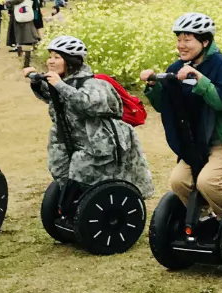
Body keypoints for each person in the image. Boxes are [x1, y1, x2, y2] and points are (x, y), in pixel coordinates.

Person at [142, 13, 222, 229]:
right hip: (198, 142)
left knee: (209, 182)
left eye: (187, 40)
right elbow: (167, 105)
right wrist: (154, 86)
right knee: (179, 181)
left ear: (205, 41)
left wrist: (199, 79)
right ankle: (205, 220)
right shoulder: (177, 67)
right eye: (179, 39)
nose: (181, 45)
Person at [24, 36, 153, 196]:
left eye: (57, 57)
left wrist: (60, 85)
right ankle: (70, 210)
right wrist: (37, 82)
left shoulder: (94, 83)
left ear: (71, 61)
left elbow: (88, 104)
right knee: (60, 171)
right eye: (50, 56)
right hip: (69, 138)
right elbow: (54, 98)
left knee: (81, 175)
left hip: (96, 142)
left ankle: (89, 208)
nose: (50, 61)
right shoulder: (64, 81)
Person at [12, 0, 43, 66]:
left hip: (31, 10)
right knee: (38, 26)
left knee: (35, 26)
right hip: (35, 10)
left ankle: (40, 41)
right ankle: (40, 42)